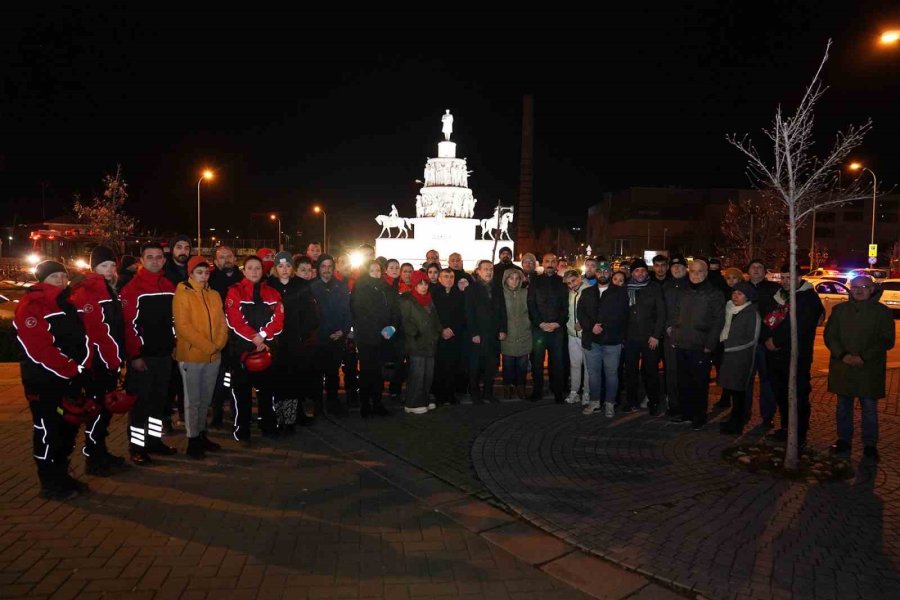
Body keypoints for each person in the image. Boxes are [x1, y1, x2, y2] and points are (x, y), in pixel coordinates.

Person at [16, 260, 91, 499]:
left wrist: (80, 368)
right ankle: (49, 482)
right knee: (47, 430)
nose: (60, 279)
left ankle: (62, 474)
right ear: (42, 279)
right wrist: (69, 368)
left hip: (68, 378)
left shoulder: (66, 303)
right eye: (54, 276)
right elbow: (38, 348)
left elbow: (80, 339)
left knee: (66, 427)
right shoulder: (33, 304)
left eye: (62, 275)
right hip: (44, 381)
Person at [825, 275, 896, 461]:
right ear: (850, 289)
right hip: (844, 368)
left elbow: (886, 340)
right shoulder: (839, 310)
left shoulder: (883, 312)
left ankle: (870, 445)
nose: (859, 290)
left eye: (864, 286)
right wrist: (844, 355)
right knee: (843, 408)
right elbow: (830, 336)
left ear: (872, 289)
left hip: (869, 370)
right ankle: (843, 440)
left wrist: (864, 357)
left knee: (870, 409)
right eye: (855, 286)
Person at [69, 245, 126, 476]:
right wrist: (113, 360)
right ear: (94, 267)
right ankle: (93, 458)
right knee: (97, 410)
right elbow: (98, 332)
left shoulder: (109, 289)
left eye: (112, 265)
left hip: (107, 361)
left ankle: (100, 451)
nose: (109, 270)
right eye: (104, 265)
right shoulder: (89, 291)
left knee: (105, 410)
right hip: (97, 363)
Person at [120, 243, 177, 464]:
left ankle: (154, 442)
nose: (155, 260)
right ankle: (136, 447)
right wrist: (135, 356)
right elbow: (128, 325)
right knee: (139, 407)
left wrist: (174, 344)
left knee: (159, 404)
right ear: (141, 261)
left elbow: (173, 320)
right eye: (149, 257)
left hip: (164, 356)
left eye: (158, 257)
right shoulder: (132, 289)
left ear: (164, 260)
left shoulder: (168, 285)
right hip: (142, 358)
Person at [761, 264, 824, 446]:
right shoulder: (779, 296)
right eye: (783, 277)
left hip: (796, 355)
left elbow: (800, 326)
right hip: (775, 355)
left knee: (798, 394)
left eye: (790, 277)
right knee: (781, 393)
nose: (786, 281)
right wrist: (767, 338)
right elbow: (766, 318)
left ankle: (799, 432)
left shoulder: (808, 298)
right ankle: (785, 428)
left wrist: (777, 341)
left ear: (799, 278)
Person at [224, 256, 284, 442]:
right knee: (241, 394)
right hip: (242, 351)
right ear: (244, 270)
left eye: (257, 268)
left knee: (267, 392)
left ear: (262, 270)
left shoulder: (273, 293)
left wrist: (263, 336)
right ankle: (242, 428)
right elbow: (234, 321)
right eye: (250, 268)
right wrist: (254, 338)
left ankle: (267, 424)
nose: (254, 271)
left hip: (266, 348)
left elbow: (279, 320)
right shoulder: (235, 292)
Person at [173, 256, 228, 458]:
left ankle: (202, 433)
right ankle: (192, 439)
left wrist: (218, 345)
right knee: (192, 401)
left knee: (205, 399)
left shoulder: (214, 295)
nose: (204, 276)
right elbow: (183, 327)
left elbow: (222, 323)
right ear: (191, 273)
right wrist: (209, 347)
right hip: (192, 356)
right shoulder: (182, 294)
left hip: (213, 357)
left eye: (206, 272)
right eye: (199, 272)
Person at [668, 259, 725, 430]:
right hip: (681, 342)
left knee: (699, 383)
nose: (696, 275)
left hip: (701, 345)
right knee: (683, 381)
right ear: (688, 271)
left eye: (700, 271)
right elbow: (675, 314)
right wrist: (674, 336)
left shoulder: (714, 293)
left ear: (706, 273)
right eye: (693, 271)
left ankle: (699, 416)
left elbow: (718, 321)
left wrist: (710, 344)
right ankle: (686, 413)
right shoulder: (683, 291)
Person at [267, 252, 319, 429]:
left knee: (294, 379)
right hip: (274, 342)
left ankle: (291, 417)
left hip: (295, 341)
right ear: (275, 268)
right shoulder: (268, 286)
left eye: (288, 266)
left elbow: (310, 313)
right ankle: (279, 417)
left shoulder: (301, 285)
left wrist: (303, 334)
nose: (284, 270)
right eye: (280, 266)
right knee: (278, 380)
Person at [578, 260, 629, 417]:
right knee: (593, 374)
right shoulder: (587, 292)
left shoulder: (619, 293)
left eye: (606, 271)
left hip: (612, 341)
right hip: (592, 340)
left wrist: (604, 327)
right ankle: (595, 402)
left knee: (611, 374)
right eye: (599, 271)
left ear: (611, 273)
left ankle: (610, 403)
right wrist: (591, 326)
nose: (602, 274)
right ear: (595, 273)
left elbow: (622, 316)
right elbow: (581, 313)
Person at [350, 260, 396, 417]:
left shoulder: (386, 288)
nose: (376, 273)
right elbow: (359, 312)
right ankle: (365, 404)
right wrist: (377, 329)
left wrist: (391, 327)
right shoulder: (361, 287)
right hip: (366, 337)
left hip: (383, 337)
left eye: (378, 270)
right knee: (366, 371)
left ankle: (377, 402)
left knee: (378, 372)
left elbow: (394, 311)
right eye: (372, 270)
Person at [310, 254, 354, 417]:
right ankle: (318, 405)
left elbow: (348, 312)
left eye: (329, 266)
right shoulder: (312, 287)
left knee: (333, 373)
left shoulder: (341, 287)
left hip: (337, 337)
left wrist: (343, 330)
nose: (326, 270)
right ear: (319, 268)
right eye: (323, 266)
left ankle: (333, 402)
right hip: (319, 338)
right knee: (317, 374)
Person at [718, 282, 761, 435]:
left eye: (739, 294)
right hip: (728, 356)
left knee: (739, 392)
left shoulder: (751, 312)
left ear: (747, 297)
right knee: (731, 389)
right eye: (734, 293)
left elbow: (752, 337)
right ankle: (732, 421)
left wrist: (730, 345)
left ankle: (737, 424)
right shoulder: (730, 309)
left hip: (741, 357)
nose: (735, 296)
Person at [622, 259, 665, 414]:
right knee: (631, 371)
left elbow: (661, 313)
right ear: (632, 273)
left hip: (649, 337)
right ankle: (631, 400)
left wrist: (656, 335)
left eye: (643, 270)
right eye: (636, 271)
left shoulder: (654, 287)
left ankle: (654, 402)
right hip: (631, 336)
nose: (640, 273)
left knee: (651, 371)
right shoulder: (626, 287)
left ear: (647, 272)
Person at [208, 245, 244, 429]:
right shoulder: (210, 280)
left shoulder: (243, 279)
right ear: (215, 261)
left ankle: (237, 410)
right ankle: (217, 412)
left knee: (236, 376)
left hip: (239, 337)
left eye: (229, 256)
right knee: (219, 377)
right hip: (217, 336)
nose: (226, 260)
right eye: (221, 257)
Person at [399, 271, 442, 414]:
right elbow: (404, 321)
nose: (423, 287)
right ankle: (413, 403)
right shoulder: (407, 300)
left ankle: (424, 399)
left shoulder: (429, 299)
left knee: (428, 374)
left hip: (430, 342)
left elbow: (435, 318)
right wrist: (415, 333)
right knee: (417, 374)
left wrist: (437, 331)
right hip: (416, 343)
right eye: (420, 284)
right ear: (414, 285)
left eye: (425, 284)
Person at [527, 253, 568, 403]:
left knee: (557, 362)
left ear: (556, 264)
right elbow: (531, 304)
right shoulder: (535, 281)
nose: (550, 264)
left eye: (552, 261)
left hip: (557, 329)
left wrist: (558, 323)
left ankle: (557, 392)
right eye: (547, 261)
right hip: (539, 329)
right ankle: (537, 391)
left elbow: (565, 306)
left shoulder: (562, 282)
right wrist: (540, 323)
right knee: (537, 362)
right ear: (542, 263)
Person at [745, 259, 781, 427]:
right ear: (748, 271)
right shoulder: (741, 288)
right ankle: (743, 413)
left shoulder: (774, 289)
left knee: (767, 379)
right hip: (745, 342)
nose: (757, 270)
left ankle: (767, 416)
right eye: (753, 267)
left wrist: (772, 337)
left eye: (760, 267)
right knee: (745, 379)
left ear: (765, 271)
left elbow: (780, 314)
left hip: (764, 342)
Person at [465, 260, 507, 403]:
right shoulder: (471, 289)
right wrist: (473, 333)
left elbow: (503, 311)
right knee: (476, 366)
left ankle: (488, 393)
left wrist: (503, 329)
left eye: (491, 269)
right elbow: (469, 313)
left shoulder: (497, 288)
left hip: (494, 334)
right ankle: (475, 393)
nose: (489, 272)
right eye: (486, 269)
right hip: (479, 334)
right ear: (478, 271)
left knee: (492, 365)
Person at [432, 267, 466, 404]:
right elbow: (432, 315)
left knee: (453, 366)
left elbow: (463, 315)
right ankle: (439, 395)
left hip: (454, 336)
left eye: (451, 277)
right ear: (440, 279)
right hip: (438, 337)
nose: (448, 279)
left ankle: (451, 395)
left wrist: (452, 329)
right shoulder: (433, 294)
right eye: (445, 276)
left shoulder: (460, 295)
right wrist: (441, 330)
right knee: (439, 367)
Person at [662, 255, 689, 416]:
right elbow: (661, 310)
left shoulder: (692, 286)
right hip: (669, 335)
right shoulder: (666, 286)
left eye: (680, 266)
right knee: (671, 372)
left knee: (686, 372)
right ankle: (673, 405)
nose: (677, 269)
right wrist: (667, 327)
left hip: (688, 336)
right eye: (674, 266)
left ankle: (686, 405)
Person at [501, 268, 531, 400]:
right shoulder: (501, 294)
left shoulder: (526, 293)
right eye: (511, 278)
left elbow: (531, 311)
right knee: (507, 364)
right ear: (505, 280)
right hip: (507, 335)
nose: (514, 281)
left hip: (524, 333)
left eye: (517, 278)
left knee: (522, 364)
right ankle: (507, 386)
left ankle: (521, 386)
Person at [563, 269, 590, 405]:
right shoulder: (570, 293)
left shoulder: (589, 291)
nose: (571, 285)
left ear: (579, 277)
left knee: (588, 366)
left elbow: (594, 312)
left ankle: (586, 392)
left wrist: (584, 323)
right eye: (568, 283)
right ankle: (574, 391)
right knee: (574, 365)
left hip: (586, 335)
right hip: (572, 334)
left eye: (573, 281)